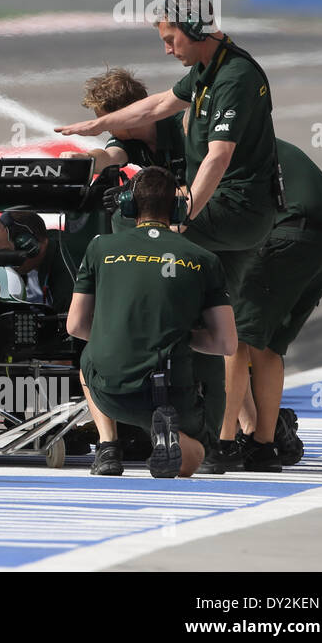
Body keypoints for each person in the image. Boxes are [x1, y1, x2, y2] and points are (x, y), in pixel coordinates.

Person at [55, 0, 280, 472]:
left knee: (125, 233)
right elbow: (152, 107)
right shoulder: (207, 71)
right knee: (213, 328)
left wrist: (182, 214)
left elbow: (218, 156)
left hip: (235, 207)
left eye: (170, 38)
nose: (166, 48)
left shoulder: (234, 77)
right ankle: (224, 437)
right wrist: (97, 130)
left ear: (194, 31)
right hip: (223, 212)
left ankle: (124, 330)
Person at [67, 167, 237, 478]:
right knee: (196, 454)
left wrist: (118, 335)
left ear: (129, 205)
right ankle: (178, 438)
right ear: (178, 208)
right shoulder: (204, 259)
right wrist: (179, 337)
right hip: (173, 389)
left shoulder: (100, 248)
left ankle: (108, 447)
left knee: (88, 359)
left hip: (112, 391)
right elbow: (226, 343)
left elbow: (75, 325)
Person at [224, 140, 322, 470]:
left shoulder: (216, 147)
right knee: (266, 345)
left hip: (291, 234)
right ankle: (260, 441)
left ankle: (223, 443)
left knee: (230, 334)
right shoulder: (261, 141)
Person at [0, 211, 74, 314]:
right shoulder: (54, 245)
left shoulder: (64, 276)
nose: (5, 261)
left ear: (28, 244)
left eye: (7, 252)